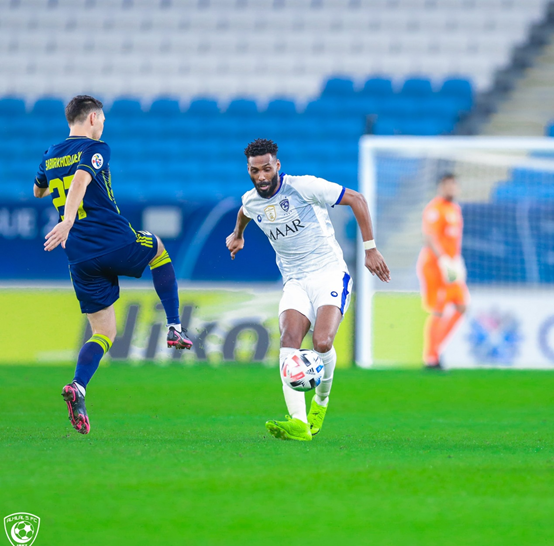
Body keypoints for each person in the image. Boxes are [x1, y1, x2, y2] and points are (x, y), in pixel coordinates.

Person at [33, 95, 193, 435]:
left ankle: (78, 386)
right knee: (158, 249)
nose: (102, 124)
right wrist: (70, 219)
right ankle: (175, 325)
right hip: (110, 240)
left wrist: (62, 209)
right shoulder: (97, 148)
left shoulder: (49, 155)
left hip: (78, 256)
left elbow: (37, 190)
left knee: (104, 332)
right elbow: (80, 179)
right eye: (101, 119)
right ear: (91, 118)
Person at [226, 138, 390, 441]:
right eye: (254, 171)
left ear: (277, 165)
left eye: (266, 169)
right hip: (295, 281)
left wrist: (370, 249)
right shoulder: (251, 199)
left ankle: (321, 403)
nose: (261, 176)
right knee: (288, 339)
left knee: (322, 343)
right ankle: (299, 423)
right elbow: (244, 212)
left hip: (329, 274)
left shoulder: (303, 187)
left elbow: (357, 199)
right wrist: (238, 235)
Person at [417, 173, 469, 370]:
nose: (451, 189)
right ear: (441, 187)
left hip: (451, 266)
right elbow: (430, 236)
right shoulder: (435, 209)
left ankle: (436, 350)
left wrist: (456, 260)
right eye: (447, 185)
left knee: (462, 305)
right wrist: (444, 259)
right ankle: (431, 358)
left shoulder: (455, 209)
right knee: (438, 310)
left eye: (453, 185)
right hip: (435, 266)